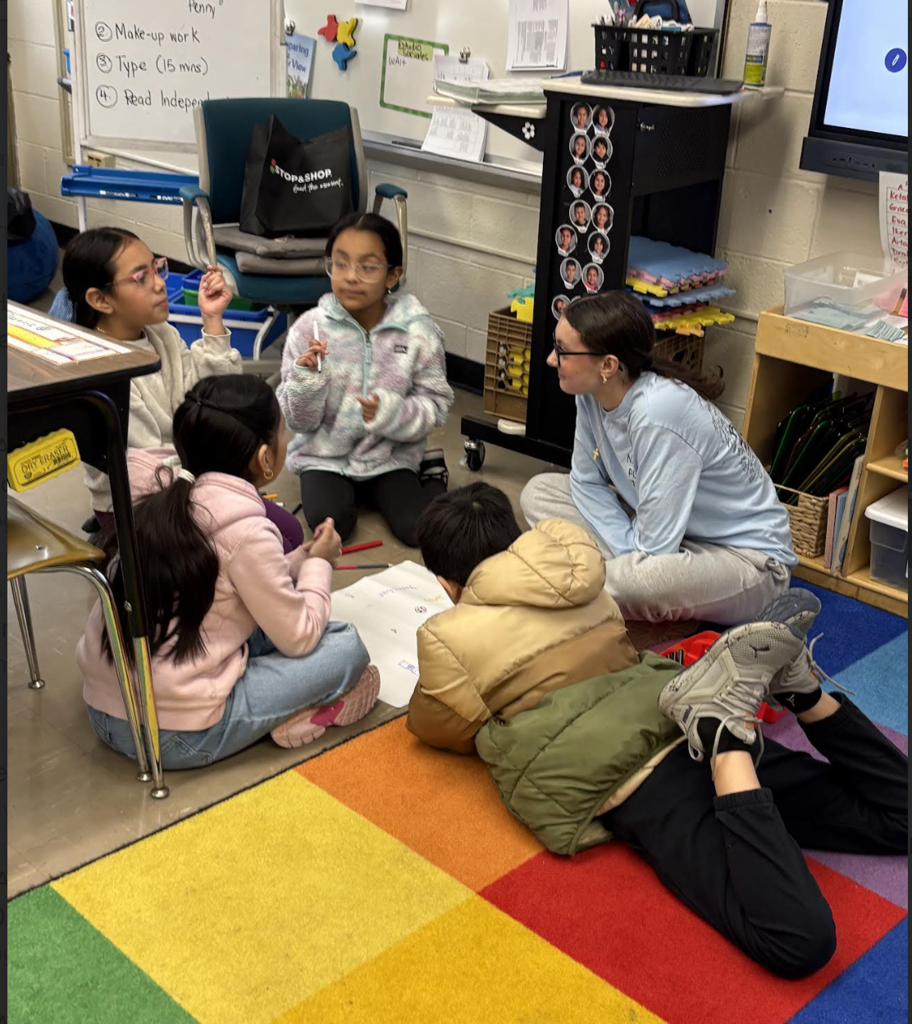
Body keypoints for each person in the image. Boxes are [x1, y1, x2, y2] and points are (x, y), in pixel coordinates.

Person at [476, 588, 907, 979]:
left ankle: (723, 731)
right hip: (667, 712)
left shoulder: (459, 632)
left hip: (646, 763)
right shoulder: (585, 583)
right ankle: (796, 694)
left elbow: (447, 723)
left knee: (800, 940)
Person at [78, 375, 381, 768]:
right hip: (174, 736)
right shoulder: (246, 529)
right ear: (264, 458)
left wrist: (297, 561)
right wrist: (321, 563)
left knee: (256, 619)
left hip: (103, 706)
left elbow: (228, 577)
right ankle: (298, 710)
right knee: (345, 646)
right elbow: (300, 637)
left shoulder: (162, 495)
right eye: (282, 432)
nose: (285, 439)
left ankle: (279, 703)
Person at [521, 292, 797, 624]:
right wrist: (628, 552)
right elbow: (585, 481)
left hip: (747, 561)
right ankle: (600, 583)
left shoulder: (658, 412)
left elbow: (655, 551)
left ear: (608, 365)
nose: (552, 359)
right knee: (539, 493)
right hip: (662, 535)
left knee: (637, 584)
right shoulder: (591, 393)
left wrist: (633, 563)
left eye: (563, 351)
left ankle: (586, 580)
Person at [54, 227, 303, 554]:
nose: (159, 284)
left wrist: (212, 320)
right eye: (141, 278)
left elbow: (211, 397)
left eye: (156, 268)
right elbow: (146, 470)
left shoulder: (160, 333)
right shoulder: (103, 372)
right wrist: (221, 477)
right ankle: (121, 547)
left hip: (188, 476)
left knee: (288, 534)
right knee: (274, 545)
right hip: (142, 503)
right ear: (100, 300)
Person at [406, 483, 639, 752]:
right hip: (635, 704)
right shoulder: (581, 571)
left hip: (567, 756)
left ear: (447, 587)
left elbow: (435, 728)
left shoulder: (446, 638)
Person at [278, 212, 454, 548]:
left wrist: (388, 413)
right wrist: (305, 381)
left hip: (390, 455)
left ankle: (431, 474)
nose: (350, 277)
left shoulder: (418, 332)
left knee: (418, 531)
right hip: (324, 456)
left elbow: (437, 404)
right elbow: (298, 421)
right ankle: (353, 493)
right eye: (340, 264)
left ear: (393, 275)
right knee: (333, 526)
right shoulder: (308, 329)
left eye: (368, 267)